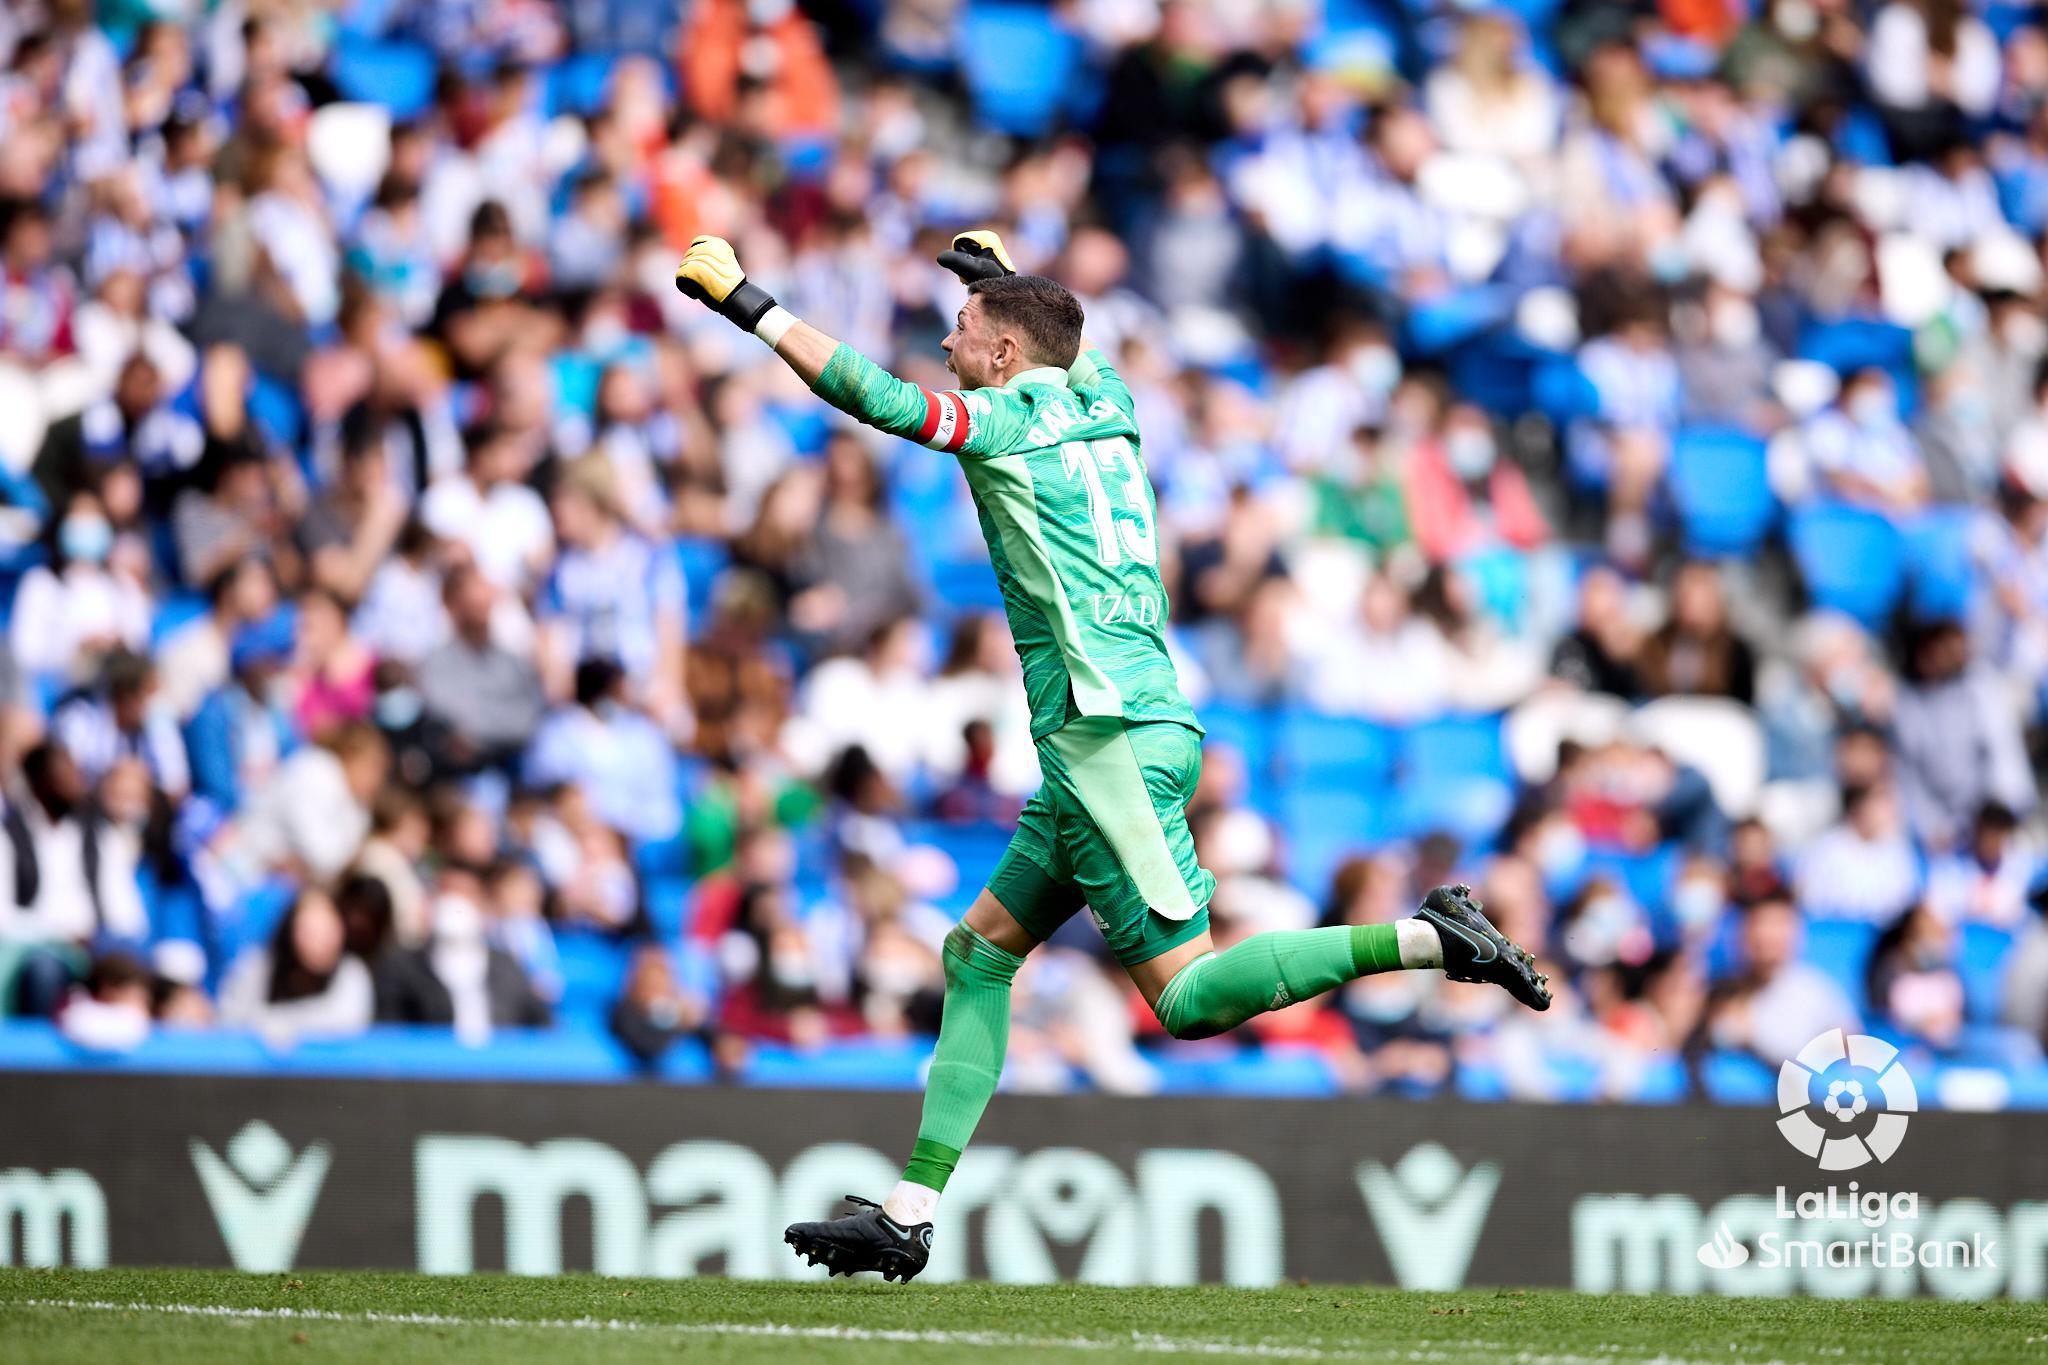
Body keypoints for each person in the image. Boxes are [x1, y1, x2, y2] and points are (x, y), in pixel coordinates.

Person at [674, 228, 1551, 1283]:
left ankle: (1426, 941)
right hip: (1132, 729)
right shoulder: (1109, 404)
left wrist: (748, 304)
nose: (947, 338)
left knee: (1184, 1001)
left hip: (1104, 746)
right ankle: (908, 1211)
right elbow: (1067, 340)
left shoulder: (1003, 424)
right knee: (977, 953)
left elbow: (880, 400)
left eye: (963, 327)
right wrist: (998, 280)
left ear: (1003, 357)